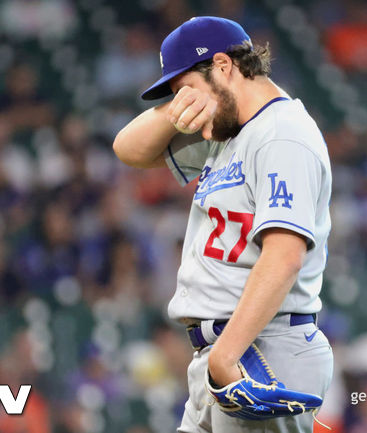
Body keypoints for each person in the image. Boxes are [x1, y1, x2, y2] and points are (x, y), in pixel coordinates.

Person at [113, 16, 333, 433]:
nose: (183, 105)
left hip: (261, 350)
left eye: (184, 90)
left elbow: (284, 256)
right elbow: (128, 150)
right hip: (223, 355)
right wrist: (173, 111)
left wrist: (224, 357)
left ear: (224, 66)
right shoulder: (227, 131)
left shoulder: (281, 133)